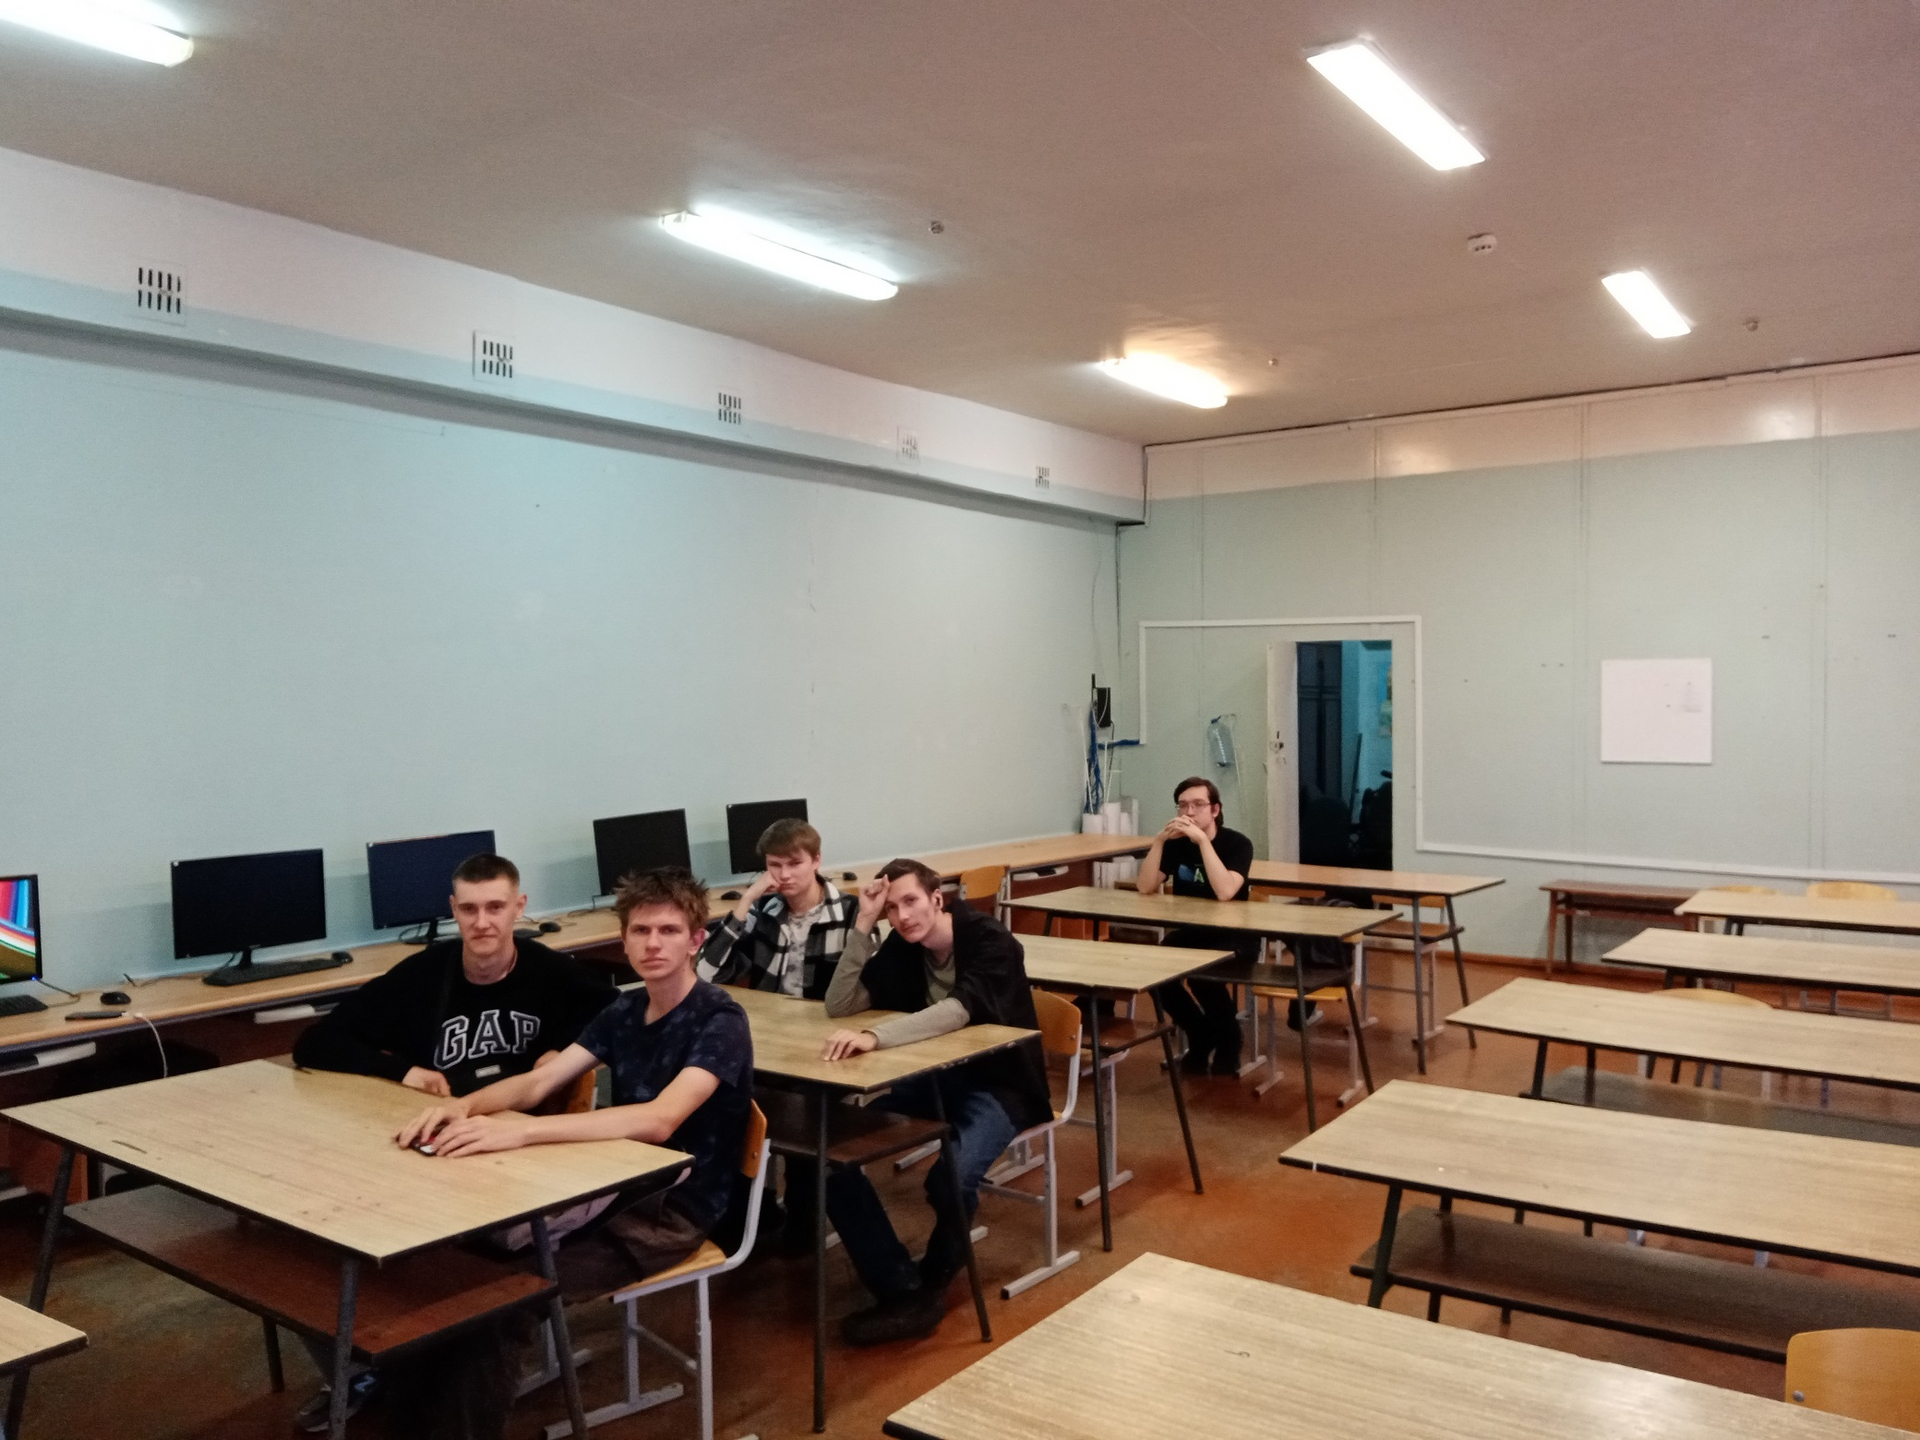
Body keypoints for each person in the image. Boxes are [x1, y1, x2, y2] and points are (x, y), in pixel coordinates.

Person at [392, 867, 753, 1440]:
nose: (652, 944)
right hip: (611, 1188)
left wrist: (521, 1135)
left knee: (503, 1301)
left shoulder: (720, 1019)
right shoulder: (627, 1010)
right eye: (640, 931)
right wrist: (465, 1107)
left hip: (671, 1212)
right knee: (456, 1264)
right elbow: (540, 1082)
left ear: (695, 940)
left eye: (667, 931)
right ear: (623, 939)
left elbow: (659, 1120)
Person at [287, 851, 613, 1431]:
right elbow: (316, 1042)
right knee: (307, 1243)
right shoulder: (424, 975)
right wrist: (403, 1072)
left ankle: (421, 1369)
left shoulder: (550, 972)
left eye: (496, 907)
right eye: (469, 909)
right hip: (429, 1152)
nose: (482, 922)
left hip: (512, 1161)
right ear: (453, 910)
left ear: (519, 907)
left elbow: (613, 1012)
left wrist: (560, 1050)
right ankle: (371, 1368)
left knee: (446, 1275)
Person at [819, 858, 1051, 1345]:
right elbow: (840, 1005)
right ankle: (900, 1286)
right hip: (933, 1081)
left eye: (911, 902)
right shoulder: (904, 947)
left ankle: (936, 1281)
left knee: (950, 1176)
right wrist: (863, 923)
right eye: (892, 908)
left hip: (1000, 1084)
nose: (902, 916)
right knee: (833, 1156)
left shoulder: (990, 939)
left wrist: (875, 1036)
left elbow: (958, 1011)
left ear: (937, 899)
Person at [698, 816, 858, 1252]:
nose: (784, 875)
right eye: (774, 866)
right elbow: (705, 972)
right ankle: (754, 1214)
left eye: (794, 863)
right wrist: (748, 899)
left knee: (803, 1116)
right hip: (772, 1042)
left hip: (827, 1048)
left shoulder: (850, 913)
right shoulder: (765, 914)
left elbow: (869, 989)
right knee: (729, 1103)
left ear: (816, 861)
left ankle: (803, 1227)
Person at [1139, 776, 1257, 1075]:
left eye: (1198, 805)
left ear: (1215, 809)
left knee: (1204, 977)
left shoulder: (1237, 844)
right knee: (1155, 973)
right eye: (1182, 806)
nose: (1189, 812)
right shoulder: (1176, 845)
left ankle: (1229, 1043)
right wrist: (1159, 841)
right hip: (1193, 932)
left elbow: (1225, 891)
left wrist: (1203, 842)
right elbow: (1145, 886)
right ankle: (1199, 1033)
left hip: (1235, 936)